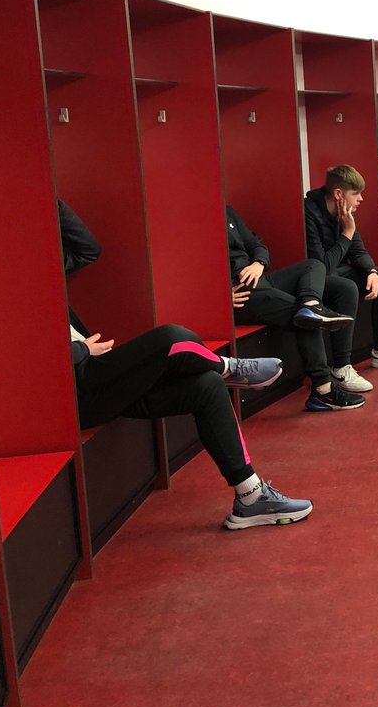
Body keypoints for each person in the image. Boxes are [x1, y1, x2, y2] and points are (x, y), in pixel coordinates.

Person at [59, 200, 311, 530]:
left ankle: (250, 497)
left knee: (206, 387)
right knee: (171, 338)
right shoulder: (9, 294)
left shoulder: (39, 273)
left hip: (99, 374)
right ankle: (230, 366)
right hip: (75, 389)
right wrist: (79, 348)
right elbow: (30, 366)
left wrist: (49, 200)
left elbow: (88, 248)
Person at [226, 206, 364, 412]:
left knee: (313, 265)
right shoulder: (194, 223)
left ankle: (311, 304)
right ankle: (323, 390)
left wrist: (259, 263)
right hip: (239, 295)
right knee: (301, 315)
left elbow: (256, 244)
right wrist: (219, 297)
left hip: (260, 278)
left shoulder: (227, 211)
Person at [304, 164, 378, 374]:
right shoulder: (309, 212)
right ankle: (341, 368)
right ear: (338, 194)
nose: (361, 199)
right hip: (313, 278)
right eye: (356, 194)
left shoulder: (345, 211)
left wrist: (372, 271)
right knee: (347, 287)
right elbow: (321, 266)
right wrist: (346, 233)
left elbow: (358, 251)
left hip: (336, 270)